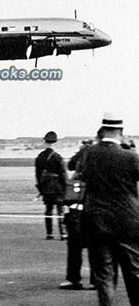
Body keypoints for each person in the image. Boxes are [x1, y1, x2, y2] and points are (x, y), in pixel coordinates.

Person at [82, 113, 139, 306]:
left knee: (104, 275)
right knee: (134, 273)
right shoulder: (130, 157)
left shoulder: (89, 154)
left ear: (102, 129)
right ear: (121, 132)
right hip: (127, 222)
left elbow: (82, 175)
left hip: (98, 222)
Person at [59, 139, 95, 290]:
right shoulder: (97, 161)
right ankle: (95, 279)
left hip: (77, 207)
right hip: (94, 208)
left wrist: (80, 152)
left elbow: (70, 165)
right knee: (96, 247)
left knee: (74, 246)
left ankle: (73, 279)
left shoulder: (79, 169)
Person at [35, 131, 67, 240]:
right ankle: (63, 233)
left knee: (48, 210)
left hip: (46, 187)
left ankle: (49, 233)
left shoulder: (40, 156)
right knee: (60, 210)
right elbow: (63, 173)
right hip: (57, 187)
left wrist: (40, 189)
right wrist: (65, 186)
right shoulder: (57, 157)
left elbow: (38, 174)